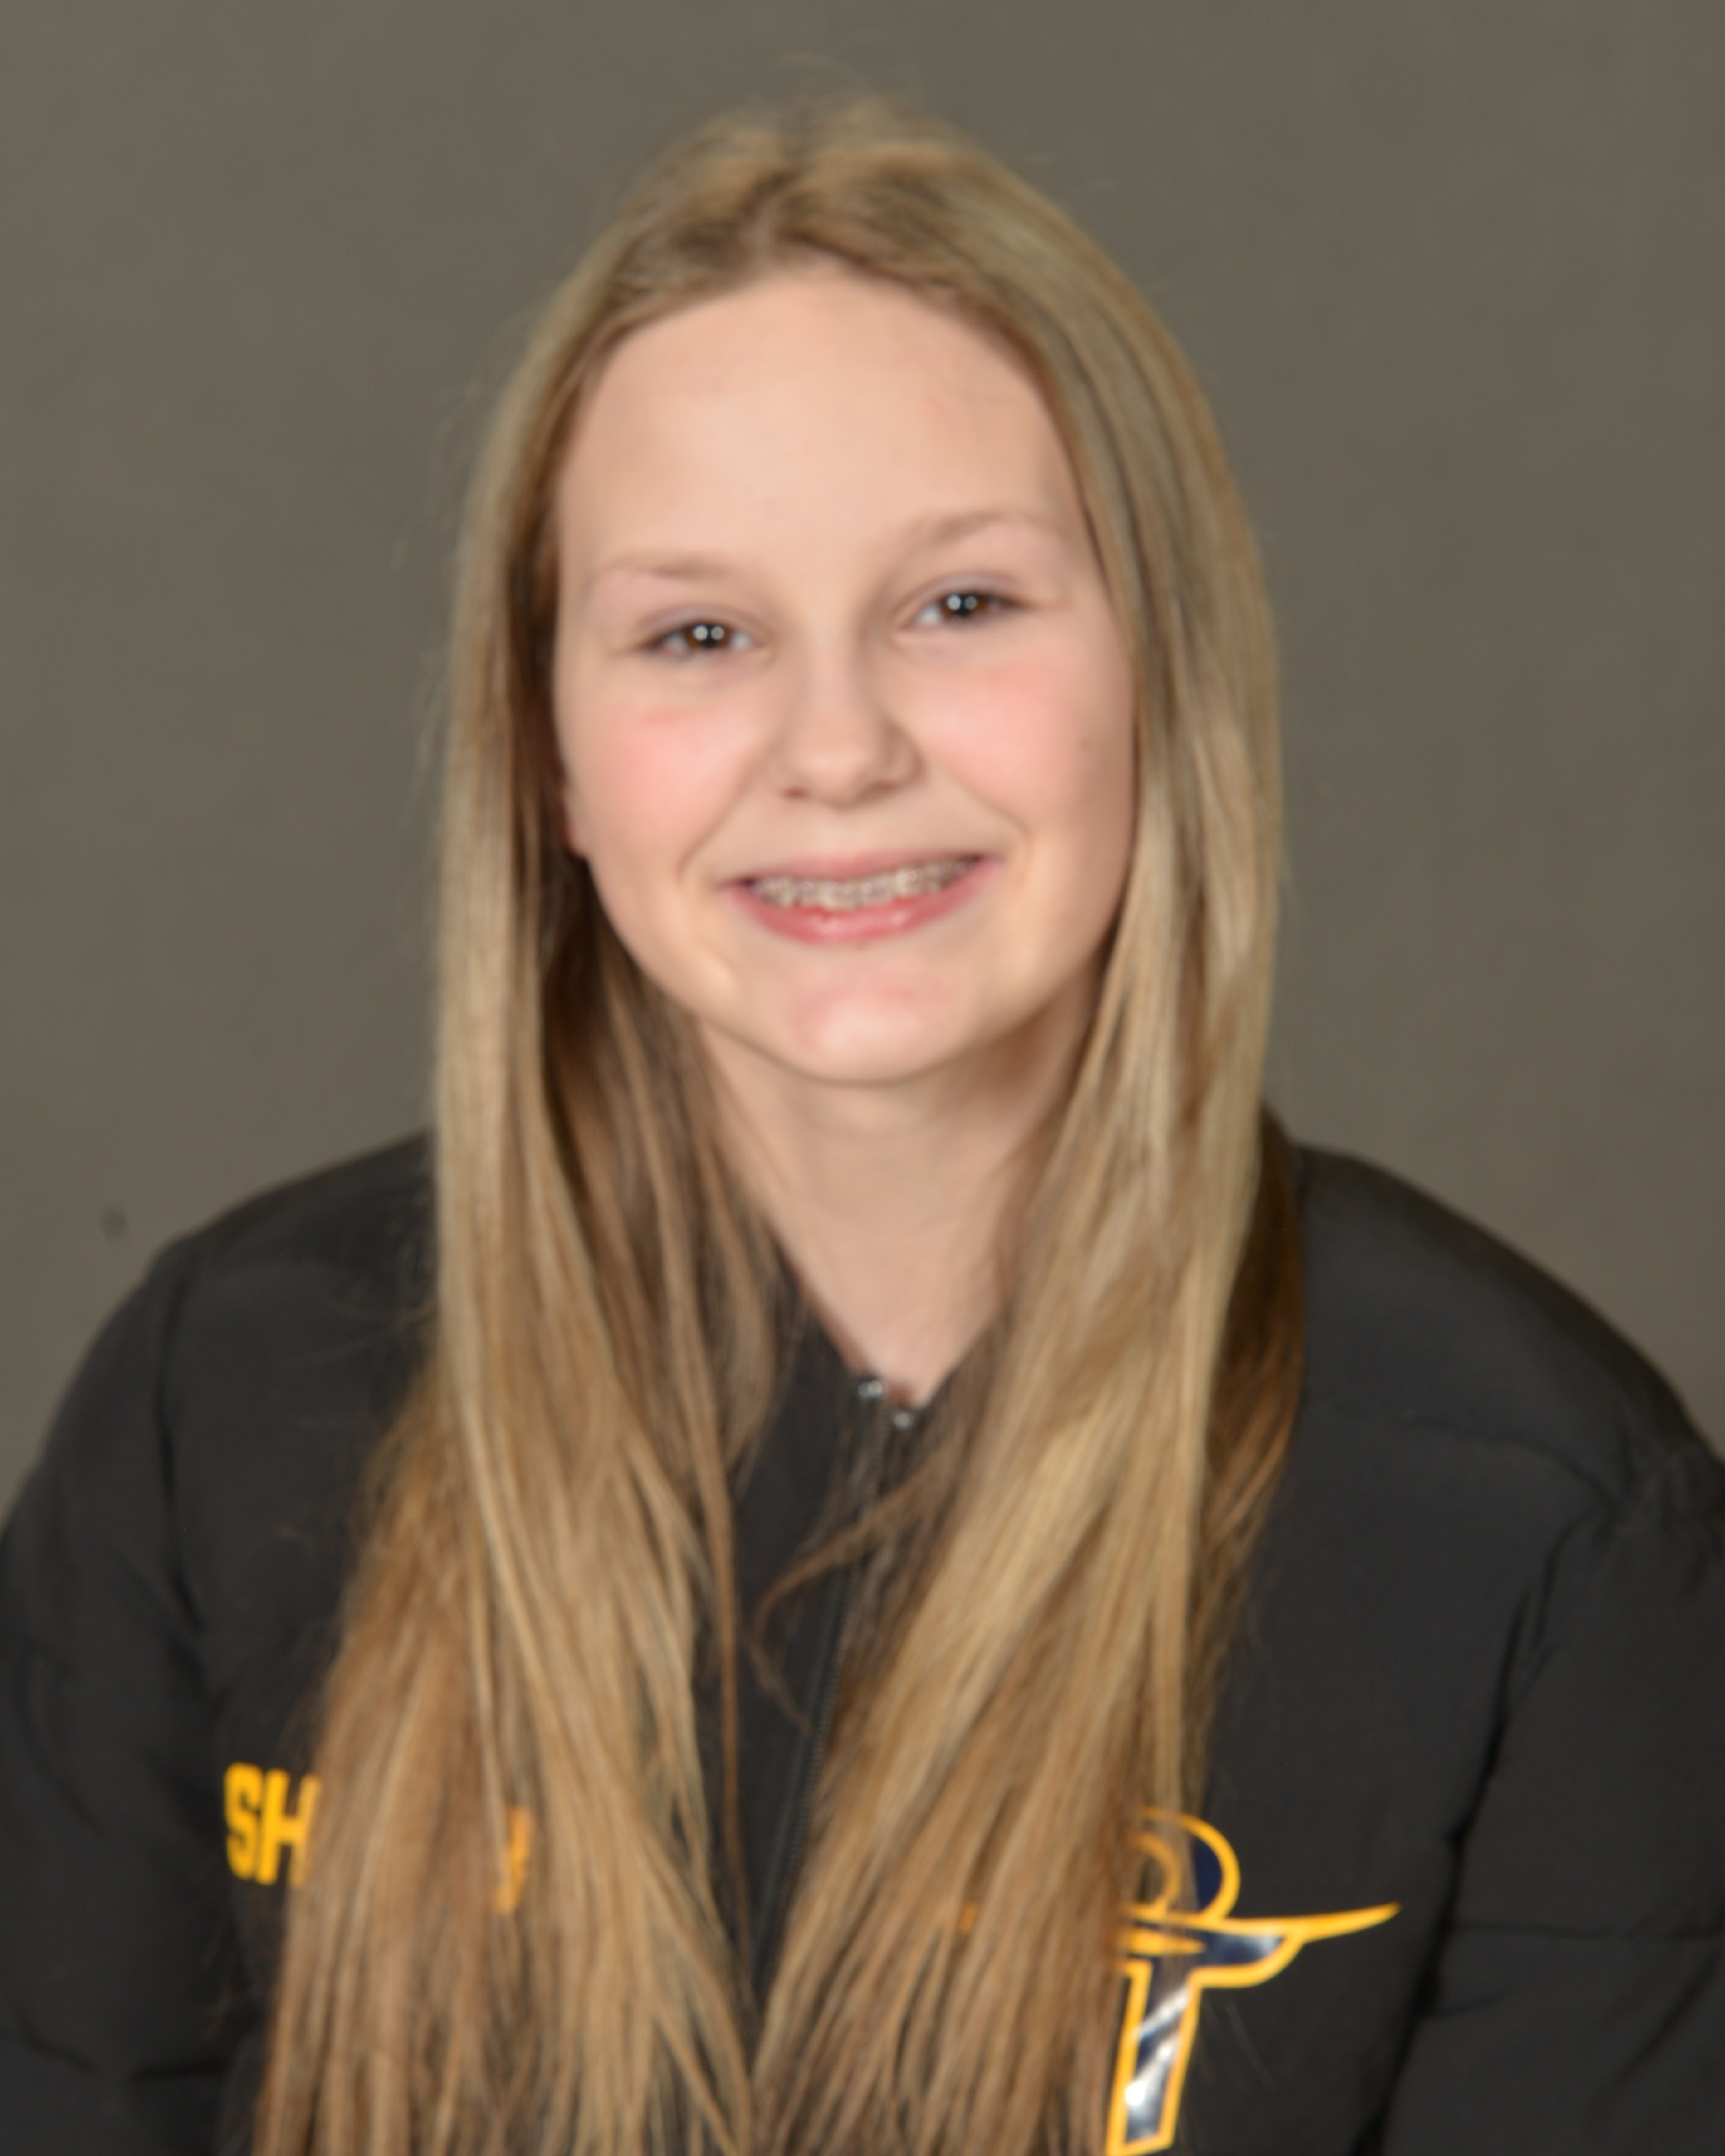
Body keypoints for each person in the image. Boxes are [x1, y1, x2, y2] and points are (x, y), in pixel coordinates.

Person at [1, 95, 1721, 2156]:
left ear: (1163, 675)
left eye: (961, 604)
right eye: (698, 635)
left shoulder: (1542, 1530)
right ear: (549, 759)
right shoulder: (223, 1410)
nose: (836, 748)